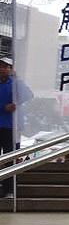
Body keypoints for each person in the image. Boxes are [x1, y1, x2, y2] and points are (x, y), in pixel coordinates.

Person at [0, 57, 32, 197]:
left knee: (10, 158)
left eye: (8, 67)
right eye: (2, 66)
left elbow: (28, 95)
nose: (4, 69)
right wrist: (3, 107)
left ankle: (9, 189)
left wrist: (18, 81)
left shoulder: (15, 83)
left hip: (11, 127)